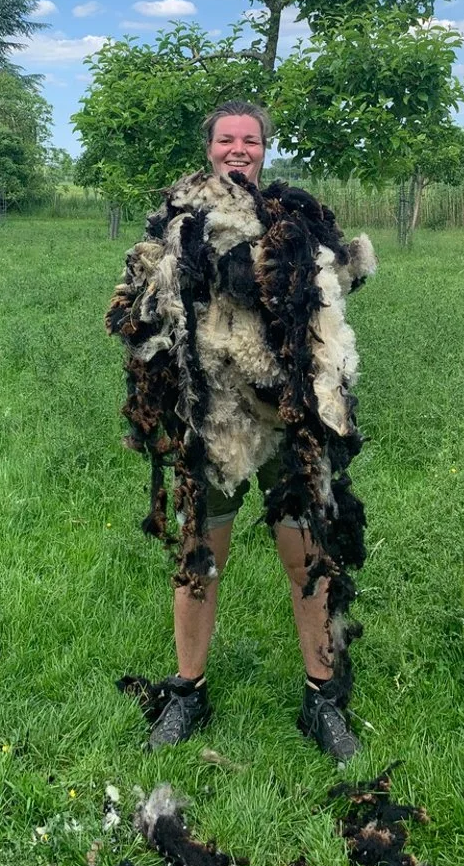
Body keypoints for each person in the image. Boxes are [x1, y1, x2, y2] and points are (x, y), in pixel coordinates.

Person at [106, 101, 376, 761]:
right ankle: (188, 692)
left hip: (288, 416)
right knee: (199, 553)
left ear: (263, 149)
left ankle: (322, 699)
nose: (237, 148)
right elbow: (136, 304)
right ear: (209, 147)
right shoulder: (177, 219)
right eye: (226, 138)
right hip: (213, 419)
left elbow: (341, 280)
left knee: (309, 555)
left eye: (249, 139)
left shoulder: (292, 217)